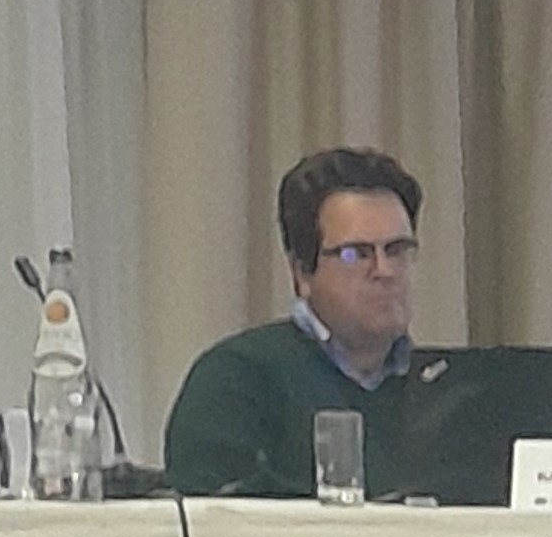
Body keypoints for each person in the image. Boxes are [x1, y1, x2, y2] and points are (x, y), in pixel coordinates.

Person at [164, 146, 440, 498]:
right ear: (301, 273)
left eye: (397, 250)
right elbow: (212, 520)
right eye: (355, 254)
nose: (384, 271)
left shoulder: (440, 394)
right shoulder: (237, 380)